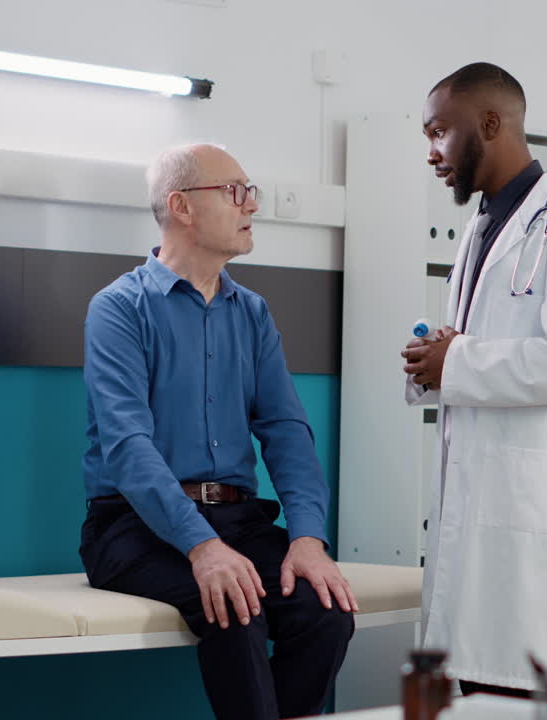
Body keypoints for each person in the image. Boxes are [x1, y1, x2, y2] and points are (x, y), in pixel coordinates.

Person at [79, 143, 355, 720]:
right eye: (234, 191)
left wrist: (307, 538)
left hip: (238, 519)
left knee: (325, 612)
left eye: (249, 189)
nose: (251, 203)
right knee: (236, 606)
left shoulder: (252, 313)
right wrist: (202, 547)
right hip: (133, 527)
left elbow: (286, 432)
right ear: (181, 206)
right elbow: (129, 450)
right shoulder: (119, 309)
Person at [401, 63, 547, 696]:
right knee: (475, 686)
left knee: (528, 691)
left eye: (439, 133)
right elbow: (478, 353)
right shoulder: (482, 229)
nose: (432, 154)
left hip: (542, 539)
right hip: (482, 524)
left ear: (490, 123)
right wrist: (438, 365)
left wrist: (462, 362)